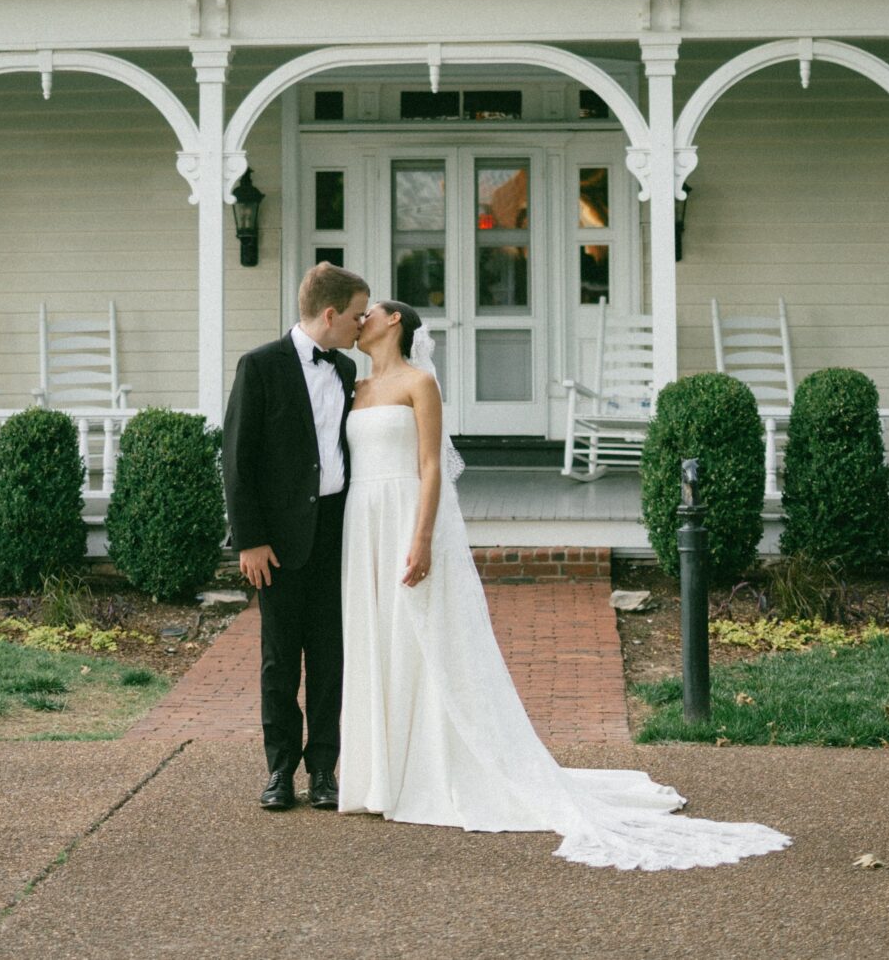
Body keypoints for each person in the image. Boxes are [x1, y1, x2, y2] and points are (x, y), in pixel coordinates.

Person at [334, 297, 792, 871]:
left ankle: (428, 763)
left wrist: (422, 537)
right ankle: (380, 771)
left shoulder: (420, 383)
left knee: (421, 636)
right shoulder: (352, 386)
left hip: (405, 515)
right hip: (363, 523)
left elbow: (430, 467)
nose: (359, 320)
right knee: (378, 637)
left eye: (369, 311)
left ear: (394, 321)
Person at [220, 261, 369, 813]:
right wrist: (250, 540)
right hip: (278, 541)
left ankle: (324, 770)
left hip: (337, 531)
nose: (362, 324)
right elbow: (237, 461)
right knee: (280, 658)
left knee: (331, 656)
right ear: (330, 314)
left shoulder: (348, 370)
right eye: (356, 315)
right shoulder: (260, 367)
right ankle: (280, 769)